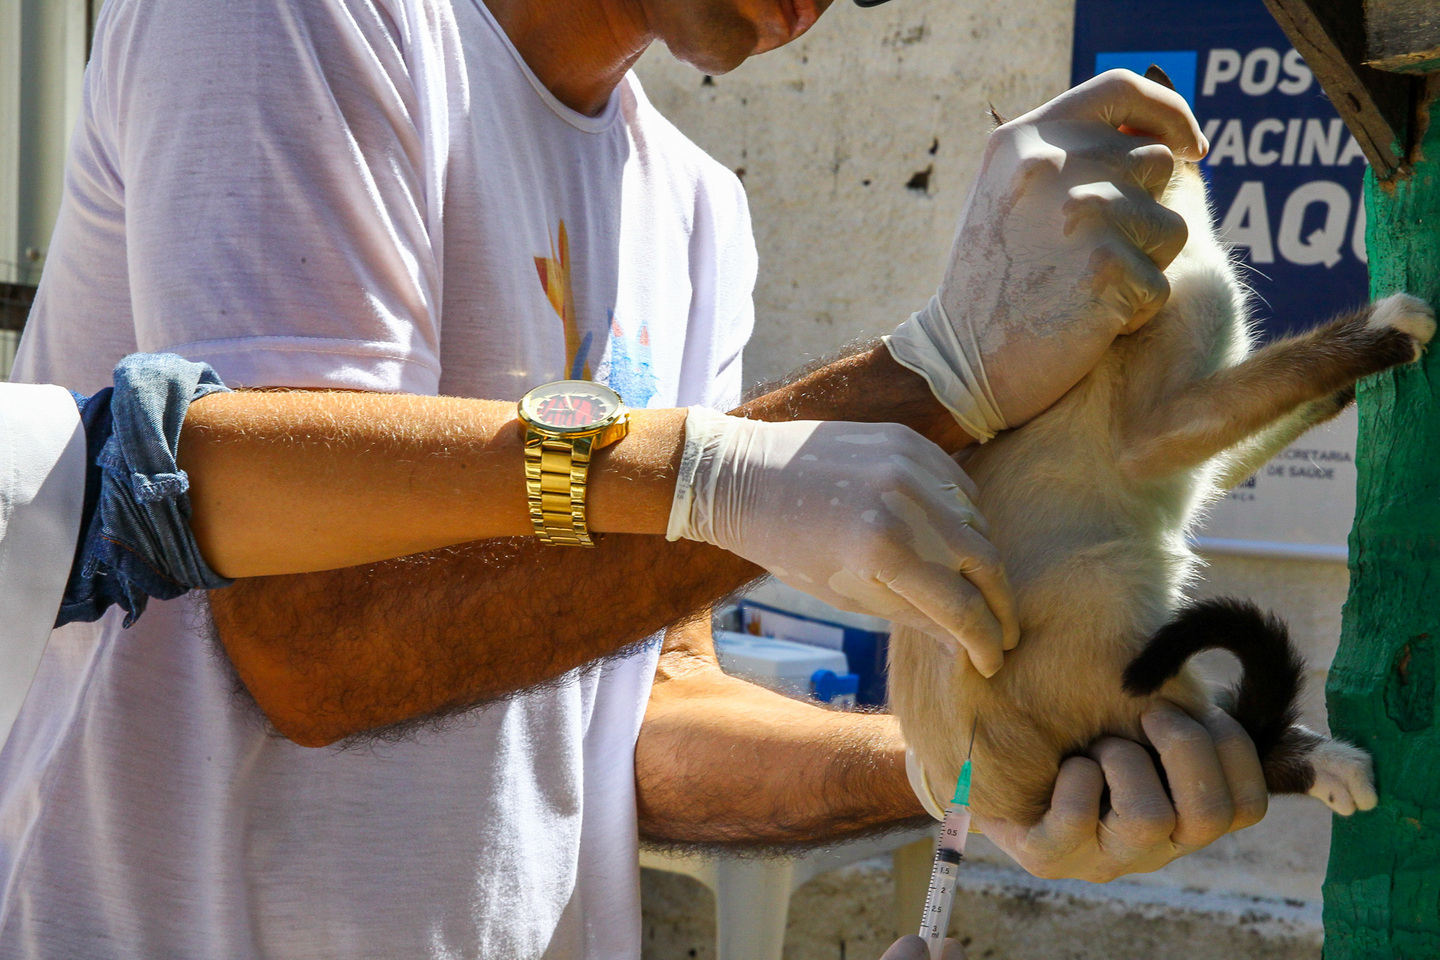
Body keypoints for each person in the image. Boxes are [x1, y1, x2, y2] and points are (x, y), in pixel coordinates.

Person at [1, 0, 1269, 956]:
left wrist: (962, 766)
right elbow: (314, 645)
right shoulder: (301, 25)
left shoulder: (697, 210)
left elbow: (644, 717)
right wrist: (930, 378)